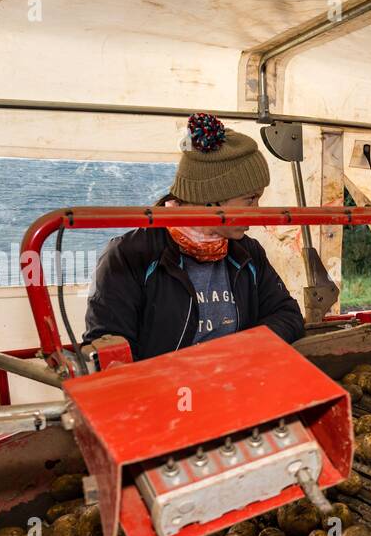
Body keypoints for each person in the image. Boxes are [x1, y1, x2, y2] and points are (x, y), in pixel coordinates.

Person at [84, 112, 304, 360]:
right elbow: (109, 350)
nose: (257, 213)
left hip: (236, 386)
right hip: (163, 393)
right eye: (250, 199)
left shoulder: (248, 253)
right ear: (210, 199)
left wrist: (241, 350)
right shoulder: (129, 256)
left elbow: (288, 315)